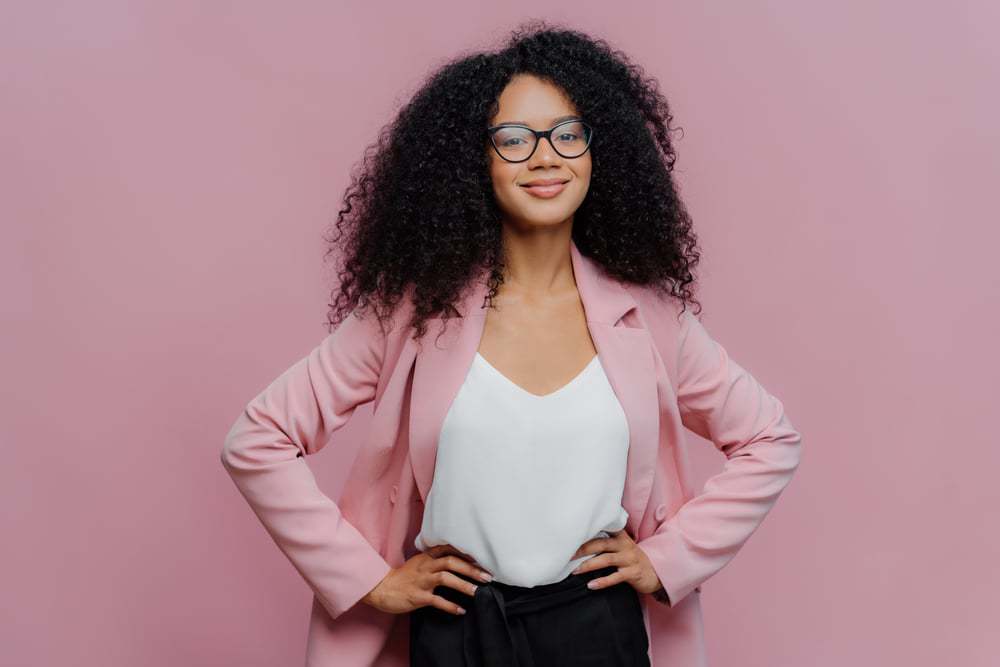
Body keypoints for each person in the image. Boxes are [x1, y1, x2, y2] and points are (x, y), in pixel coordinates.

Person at [221, 21, 803, 667]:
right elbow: (258, 437)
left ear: (595, 150)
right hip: (456, 634)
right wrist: (368, 579)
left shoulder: (652, 319)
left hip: (599, 632)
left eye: (567, 134)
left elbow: (770, 438)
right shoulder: (412, 315)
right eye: (515, 139)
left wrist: (667, 557)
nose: (546, 156)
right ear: (477, 160)